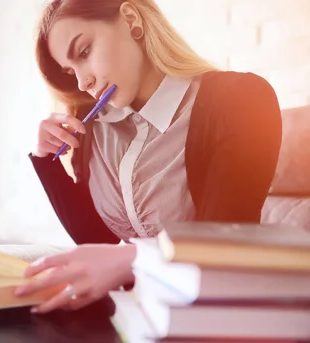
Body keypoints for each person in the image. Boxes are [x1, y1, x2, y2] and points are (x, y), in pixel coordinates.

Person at [14, 0, 282, 314]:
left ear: (131, 20)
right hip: (132, 317)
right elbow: (97, 244)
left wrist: (133, 260)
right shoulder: (93, 133)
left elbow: (220, 248)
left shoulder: (241, 100)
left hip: (210, 318)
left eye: (84, 52)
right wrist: (46, 162)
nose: (82, 82)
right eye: (70, 71)